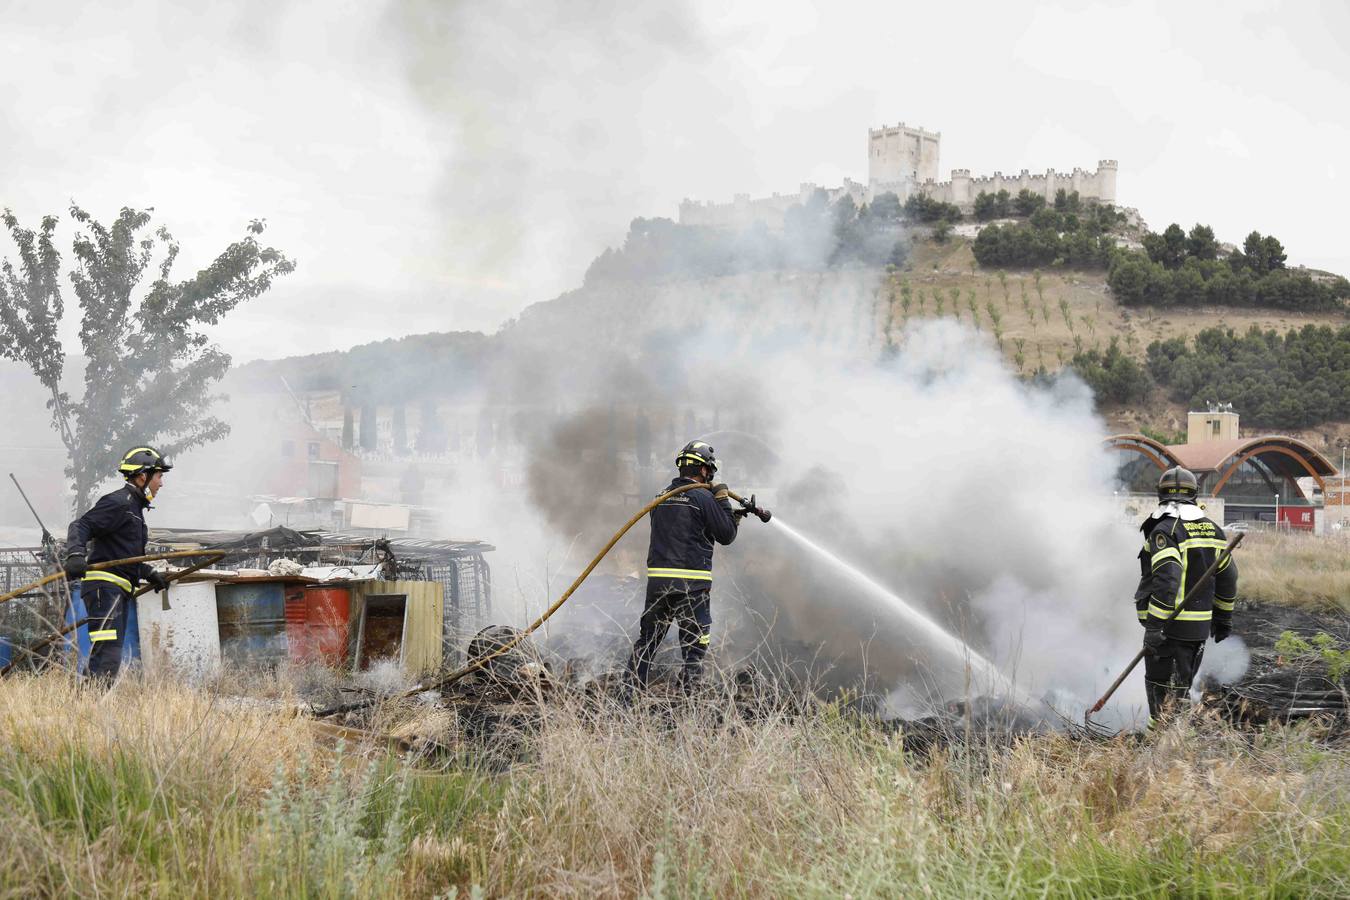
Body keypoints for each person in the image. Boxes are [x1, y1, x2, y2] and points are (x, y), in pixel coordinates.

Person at [625, 440, 741, 694]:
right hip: (691, 585)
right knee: (694, 647)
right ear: (702, 470)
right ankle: (688, 705)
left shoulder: (661, 497)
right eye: (710, 471)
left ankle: (627, 700)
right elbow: (727, 535)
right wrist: (722, 501)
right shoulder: (702, 497)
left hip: (658, 584)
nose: (710, 475)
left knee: (647, 642)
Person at [1133, 466, 1238, 727]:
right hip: (1198, 630)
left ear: (1161, 494)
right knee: (1181, 689)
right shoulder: (1213, 530)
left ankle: (1160, 742)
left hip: (1169, 628)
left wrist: (1155, 625)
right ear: (1194, 494)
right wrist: (1223, 618)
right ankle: (1176, 739)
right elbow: (1228, 577)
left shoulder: (1166, 531)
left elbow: (1168, 580)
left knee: (1160, 689)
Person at [63, 447, 172, 678]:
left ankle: (83, 704)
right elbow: (81, 526)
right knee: (107, 657)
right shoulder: (119, 502)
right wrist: (75, 554)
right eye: (159, 476)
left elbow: (122, 556)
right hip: (105, 589)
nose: (161, 483)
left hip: (116, 590)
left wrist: (148, 572)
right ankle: (92, 706)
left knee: (106, 655)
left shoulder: (134, 509)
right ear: (143, 476)